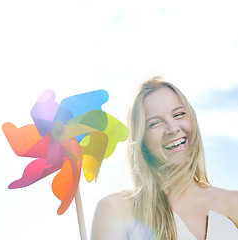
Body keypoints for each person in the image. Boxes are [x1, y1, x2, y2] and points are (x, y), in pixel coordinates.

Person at [91, 76, 238, 240]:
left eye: (179, 114)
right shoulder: (115, 211)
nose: (173, 129)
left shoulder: (234, 202)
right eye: (154, 123)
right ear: (141, 140)